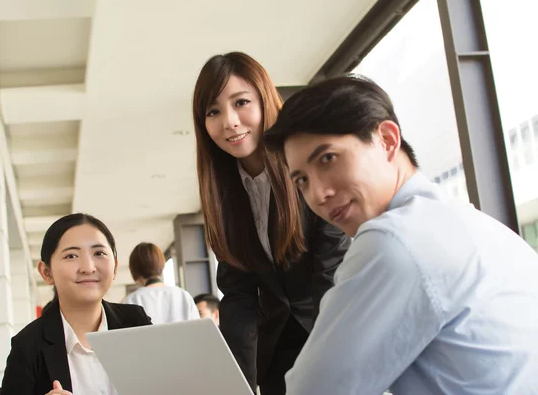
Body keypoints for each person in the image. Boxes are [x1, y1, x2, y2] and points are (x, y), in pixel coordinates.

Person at [263, 74, 538, 394]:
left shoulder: (394, 240)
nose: (318, 194)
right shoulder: (478, 226)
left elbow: (314, 390)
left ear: (387, 140)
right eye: (302, 181)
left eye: (328, 159)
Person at [192, 52, 351, 394]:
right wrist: (239, 385)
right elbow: (239, 296)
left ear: (266, 101)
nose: (230, 122)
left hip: (333, 333)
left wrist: (331, 359)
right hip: (277, 353)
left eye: (241, 102)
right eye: (213, 111)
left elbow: (330, 269)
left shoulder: (309, 169)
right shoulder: (223, 194)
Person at [1, 213, 152, 395]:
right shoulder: (27, 346)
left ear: (114, 267)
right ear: (46, 272)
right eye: (71, 256)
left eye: (99, 253)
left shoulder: (136, 323)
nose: (88, 267)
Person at [124, 242, 199, 324]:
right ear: (161, 263)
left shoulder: (132, 299)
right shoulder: (183, 295)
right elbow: (197, 330)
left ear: (134, 269)